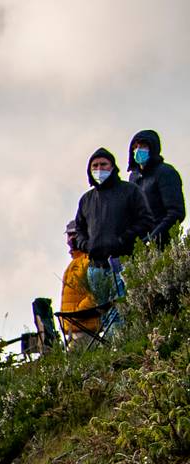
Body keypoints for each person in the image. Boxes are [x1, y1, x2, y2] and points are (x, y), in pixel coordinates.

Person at [76, 147, 157, 329]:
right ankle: (113, 351)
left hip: (123, 263)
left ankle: (125, 350)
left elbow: (146, 221)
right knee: (105, 317)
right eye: (95, 165)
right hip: (96, 268)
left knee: (123, 313)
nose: (99, 168)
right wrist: (87, 245)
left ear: (113, 167)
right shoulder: (86, 200)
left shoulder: (130, 191)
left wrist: (123, 240)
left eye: (103, 164)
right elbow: (79, 229)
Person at [129, 130, 184, 245]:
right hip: (138, 247)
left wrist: (151, 240)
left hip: (161, 246)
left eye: (143, 146)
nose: (138, 150)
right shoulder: (134, 177)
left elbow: (176, 213)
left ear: (153, 148)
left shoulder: (166, 173)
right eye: (135, 146)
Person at [59, 220, 102, 347]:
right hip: (73, 329)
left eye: (74, 234)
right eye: (68, 235)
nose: (70, 239)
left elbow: (97, 292)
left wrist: (78, 313)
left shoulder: (89, 259)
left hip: (85, 327)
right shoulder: (73, 263)